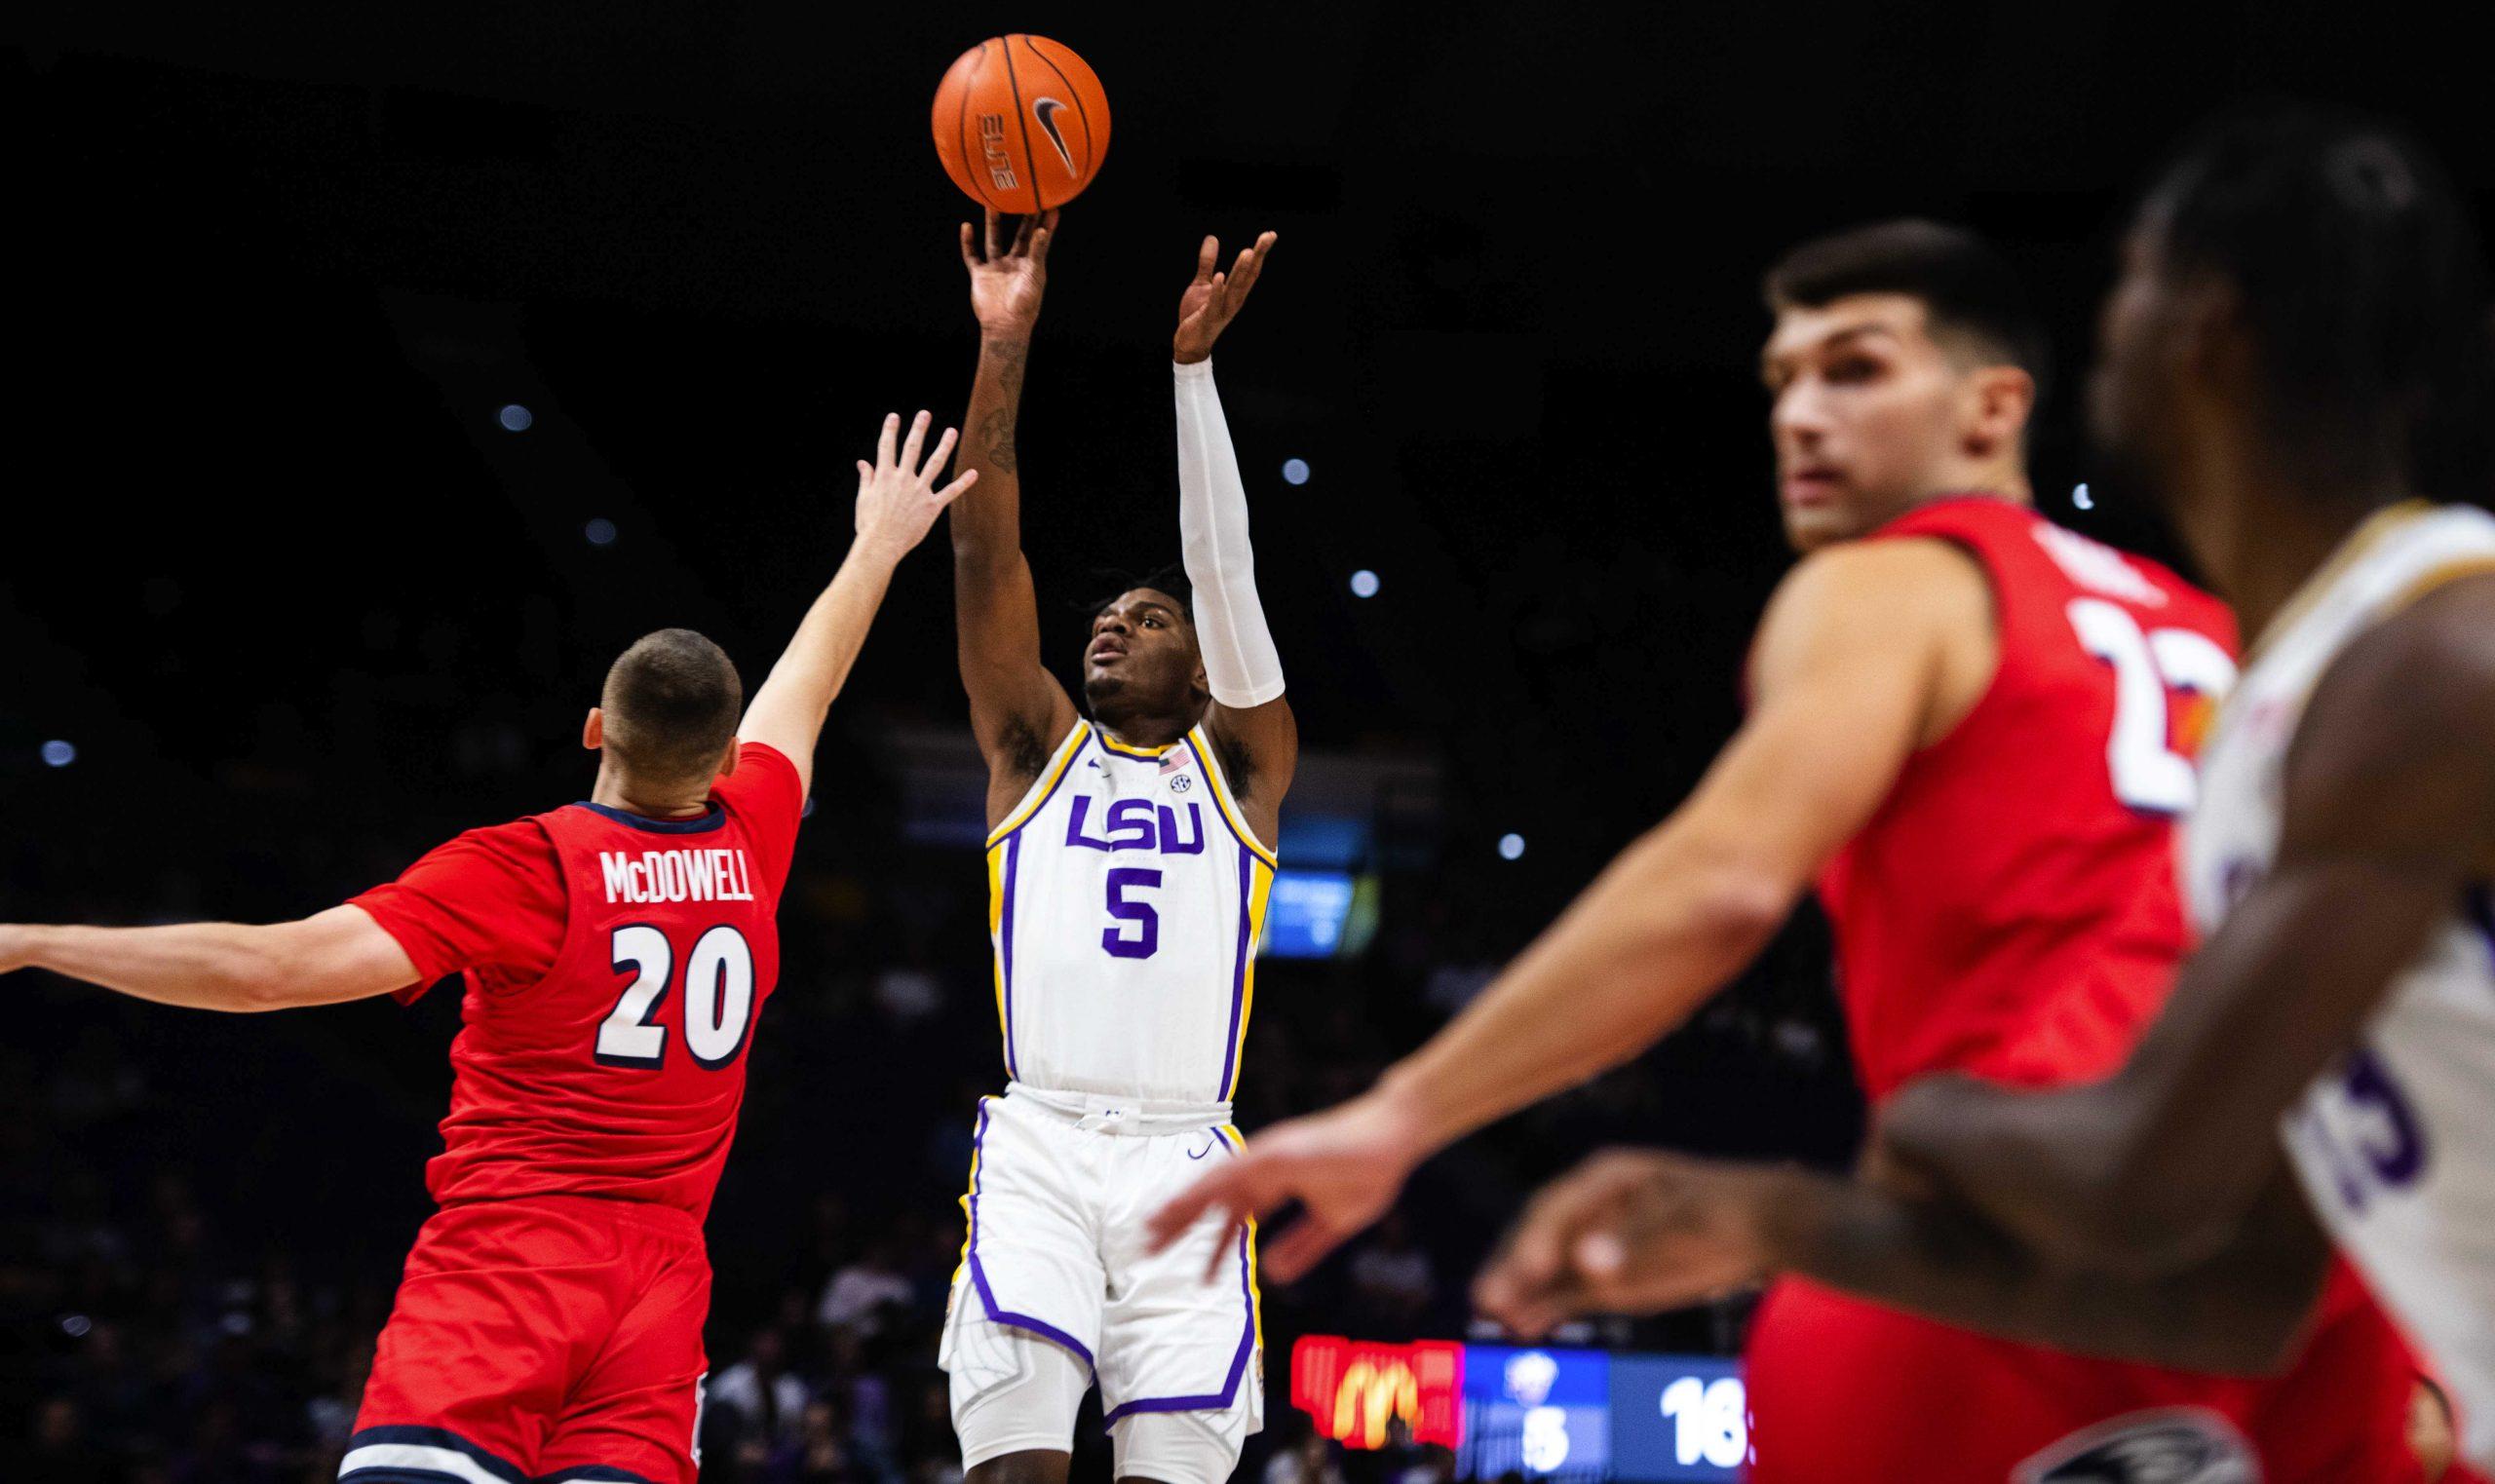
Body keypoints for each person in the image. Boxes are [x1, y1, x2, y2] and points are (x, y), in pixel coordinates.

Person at [1152, 219, 2416, 1479]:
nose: (1802, 413)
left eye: (1855, 368)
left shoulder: (1902, 579)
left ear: (1993, 407)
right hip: (2302, 1250)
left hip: (2006, 1223)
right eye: (1782, 380)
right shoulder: (2225, 631)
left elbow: (1727, 882)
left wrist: (1398, 1112)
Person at [1467, 108, 2495, 1475]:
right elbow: (2238, 1298)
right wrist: (1776, 1217)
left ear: (2211, 328)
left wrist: (1922, 1119)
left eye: (2129, 278)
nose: (2101, 325)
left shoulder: (2435, 657)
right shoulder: (2276, 694)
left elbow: (2141, 1177)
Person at [2, 412, 972, 1484]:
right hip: (658, 1291)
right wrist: (878, 543)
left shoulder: (526, 866)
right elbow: (812, 678)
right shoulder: (756, 832)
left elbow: (271, 970)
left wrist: (36, 940)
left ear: (595, 728)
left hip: (509, 1266)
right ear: (725, 754)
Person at [939, 209, 1298, 1484]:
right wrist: (1004, 343)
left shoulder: (1242, 765)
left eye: (1146, 619)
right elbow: (987, 548)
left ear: (1200, 668)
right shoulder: (1034, 748)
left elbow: (1226, 568)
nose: (1111, 624)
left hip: (1190, 1154)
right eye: (1106, 612)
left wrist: (1192, 376)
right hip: (1040, 1140)